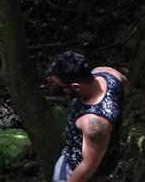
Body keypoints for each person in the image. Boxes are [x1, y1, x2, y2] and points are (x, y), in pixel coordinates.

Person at [46, 51, 129, 182]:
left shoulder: (93, 123)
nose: (56, 89)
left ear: (76, 87)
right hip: (109, 156)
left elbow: (88, 166)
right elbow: (126, 86)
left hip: (81, 169)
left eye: (59, 87)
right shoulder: (108, 73)